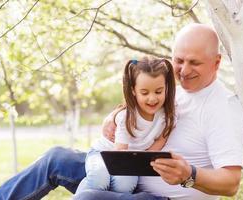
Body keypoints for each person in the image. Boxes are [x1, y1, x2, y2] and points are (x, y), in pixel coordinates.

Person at [0, 23, 243, 200]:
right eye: (179, 60)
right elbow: (140, 104)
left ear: (217, 62)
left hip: (159, 197)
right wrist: (114, 116)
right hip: (124, 172)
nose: (183, 70)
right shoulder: (171, 90)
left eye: (195, 62)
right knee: (57, 158)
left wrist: (189, 174)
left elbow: (231, 182)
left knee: (88, 197)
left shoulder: (222, 107)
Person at [75, 57, 176, 195]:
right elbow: (118, 156)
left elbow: (159, 142)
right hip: (105, 154)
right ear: (133, 90)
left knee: (125, 185)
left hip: (129, 161)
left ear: (166, 88)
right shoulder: (126, 117)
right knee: (99, 179)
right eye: (144, 93)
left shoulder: (167, 116)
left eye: (158, 91)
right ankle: (82, 195)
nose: (152, 98)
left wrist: (142, 161)